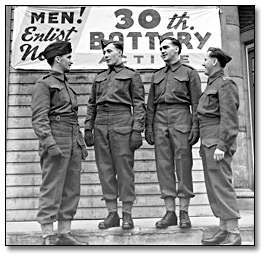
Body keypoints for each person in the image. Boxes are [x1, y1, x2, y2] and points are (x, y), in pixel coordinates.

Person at [31, 40, 89, 245]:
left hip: (72, 137)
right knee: (52, 185)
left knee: (72, 187)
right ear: (58, 59)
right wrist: (50, 144)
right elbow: (39, 118)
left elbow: (73, 116)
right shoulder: (44, 85)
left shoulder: (67, 85)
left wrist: (80, 143)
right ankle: (48, 234)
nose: (71, 61)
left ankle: (64, 233)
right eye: (69, 57)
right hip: (56, 136)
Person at [84, 40, 146, 230]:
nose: (106, 54)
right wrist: (88, 127)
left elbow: (139, 104)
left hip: (122, 121)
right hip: (101, 123)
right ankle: (112, 214)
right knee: (105, 170)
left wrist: (137, 130)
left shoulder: (131, 75)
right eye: (104, 51)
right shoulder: (99, 77)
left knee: (124, 170)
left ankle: (127, 214)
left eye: (109, 51)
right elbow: (91, 104)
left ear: (120, 52)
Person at [145, 36, 201, 229]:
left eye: (166, 47)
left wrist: (195, 127)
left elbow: (196, 103)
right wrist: (148, 128)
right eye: (160, 48)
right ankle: (170, 212)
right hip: (160, 119)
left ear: (177, 49)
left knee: (183, 164)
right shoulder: (157, 75)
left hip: (181, 116)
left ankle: (184, 212)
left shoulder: (189, 73)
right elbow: (150, 104)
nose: (162, 51)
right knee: (164, 166)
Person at [198, 47, 241, 245]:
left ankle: (234, 233)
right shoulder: (211, 85)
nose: (203, 63)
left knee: (222, 186)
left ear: (215, 61)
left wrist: (222, 146)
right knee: (214, 187)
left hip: (217, 142)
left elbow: (229, 119)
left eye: (205, 59)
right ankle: (223, 229)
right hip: (208, 141)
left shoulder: (225, 84)